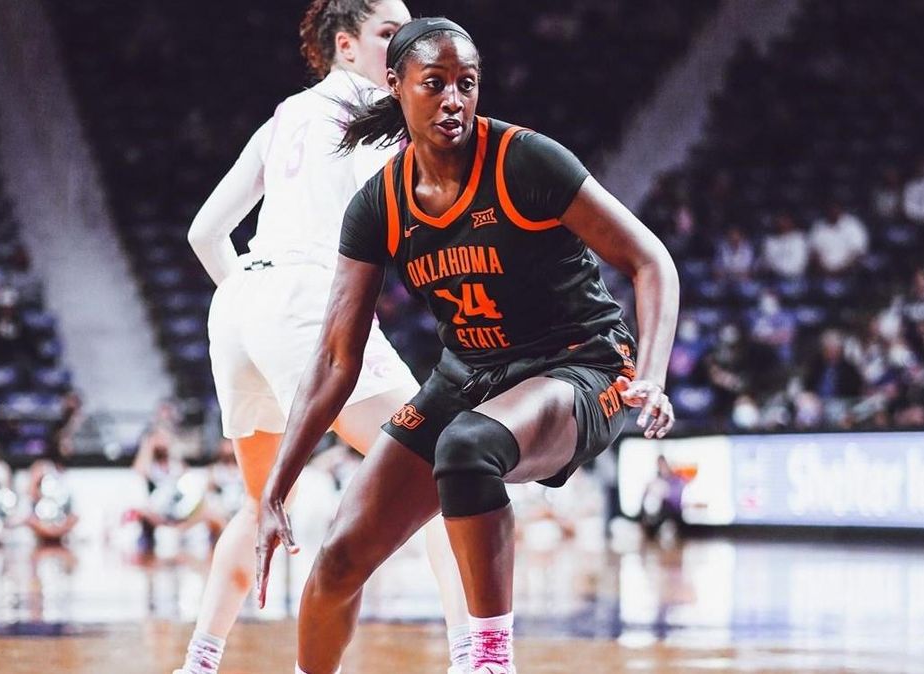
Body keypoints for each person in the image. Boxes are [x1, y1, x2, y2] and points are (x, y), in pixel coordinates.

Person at [255, 18, 679, 674]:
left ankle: (488, 660)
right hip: (470, 375)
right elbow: (338, 357)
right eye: (436, 84)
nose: (454, 99)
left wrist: (650, 375)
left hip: (579, 367)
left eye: (468, 84)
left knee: (466, 447)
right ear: (394, 86)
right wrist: (276, 487)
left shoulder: (525, 160)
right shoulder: (379, 204)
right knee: (337, 559)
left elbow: (651, 262)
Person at [179, 3, 471, 674]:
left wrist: (255, 300)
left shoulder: (283, 117)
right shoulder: (381, 107)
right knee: (449, 465)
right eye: (389, 35)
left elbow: (203, 234)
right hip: (305, 300)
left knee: (263, 503)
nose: (410, 44)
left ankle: (199, 663)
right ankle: (475, 658)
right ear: (346, 46)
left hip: (241, 302)